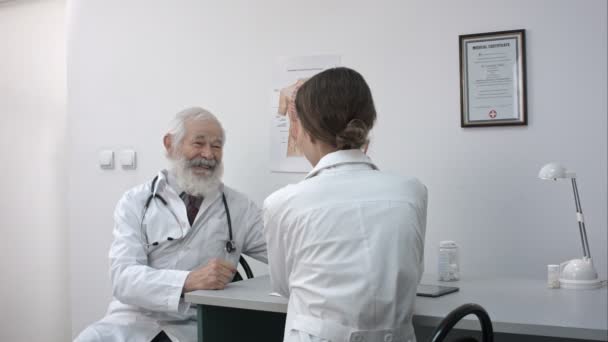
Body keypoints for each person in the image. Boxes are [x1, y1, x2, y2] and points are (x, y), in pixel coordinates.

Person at [75, 107, 267, 342]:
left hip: (198, 323)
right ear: (170, 144)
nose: (208, 154)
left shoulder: (239, 207)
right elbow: (123, 277)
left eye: (216, 146)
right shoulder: (135, 202)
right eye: (198, 143)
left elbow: (281, 250)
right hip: (133, 321)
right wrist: (188, 281)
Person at [264, 67, 428, 342]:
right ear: (367, 124)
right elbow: (411, 276)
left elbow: (283, 285)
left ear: (304, 130)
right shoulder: (412, 192)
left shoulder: (283, 203)